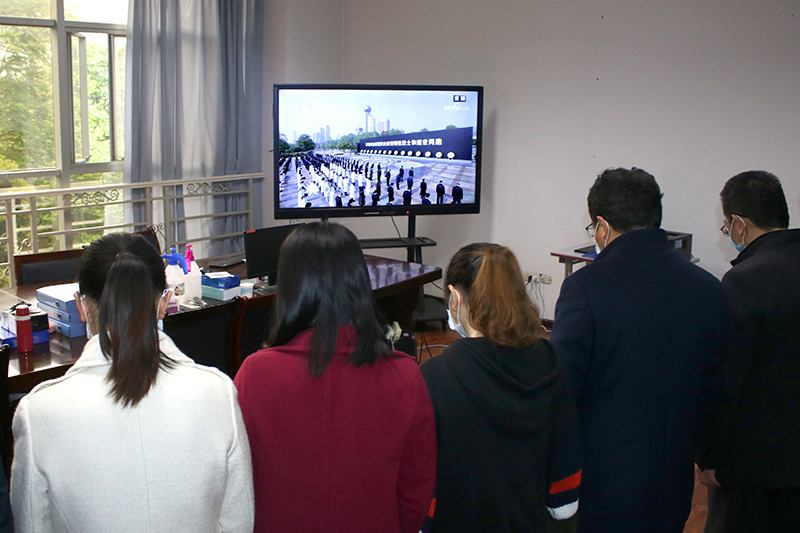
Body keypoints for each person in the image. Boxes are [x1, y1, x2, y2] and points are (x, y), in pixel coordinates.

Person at [10, 232, 254, 533]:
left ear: (81, 306)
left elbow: (32, 525)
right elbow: (239, 522)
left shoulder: (38, 411)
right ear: (164, 302)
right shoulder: (218, 392)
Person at [551, 167, 726, 533]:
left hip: (603, 483)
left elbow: (563, 389)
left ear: (602, 226)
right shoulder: (708, 288)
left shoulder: (584, 288)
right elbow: (713, 388)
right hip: (671, 480)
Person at [234, 222, 436, 533]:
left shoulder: (254, 374)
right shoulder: (405, 376)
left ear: (289, 287)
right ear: (359, 282)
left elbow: (238, 483)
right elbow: (416, 495)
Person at [421, 243, 581, 532]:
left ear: (455, 297)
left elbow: (420, 480)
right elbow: (565, 472)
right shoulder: (552, 365)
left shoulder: (434, 378)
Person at [696, 171, 800, 533]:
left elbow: (727, 380)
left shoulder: (745, 281)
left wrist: (709, 456)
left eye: (727, 227)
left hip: (752, 461)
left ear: (740, 224)